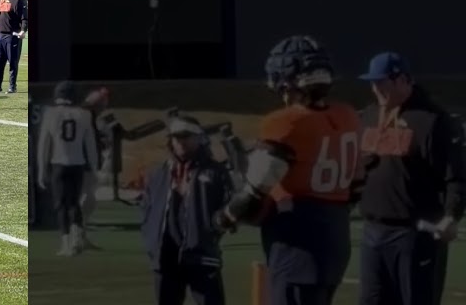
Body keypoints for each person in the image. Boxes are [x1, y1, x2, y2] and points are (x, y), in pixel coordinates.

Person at [216, 35, 361, 305]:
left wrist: (224, 218)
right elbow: (357, 185)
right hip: (336, 239)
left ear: (287, 81)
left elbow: (251, 197)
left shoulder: (287, 123)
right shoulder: (348, 116)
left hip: (297, 243)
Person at [354, 52, 463, 305]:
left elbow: (455, 176)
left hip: (415, 233)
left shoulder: (432, 120)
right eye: (372, 83)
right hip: (372, 230)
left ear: (403, 80)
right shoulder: (369, 115)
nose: (376, 89)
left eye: (382, 82)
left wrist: (451, 215)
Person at [140, 115, 233, 305]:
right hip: (165, 256)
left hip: (202, 254)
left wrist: (215, 228)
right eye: (176, 137)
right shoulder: (158, 174)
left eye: (186, 136)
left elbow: (228, 207)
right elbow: (147, 210)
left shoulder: (216, 172)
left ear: (199, 138)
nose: (181, 142)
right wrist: (151, 242)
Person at [37, 81, 98, 255]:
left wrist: (41, 170)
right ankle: (77, 237)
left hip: (59, 164)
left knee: (61, 205)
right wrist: (94, 168)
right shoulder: (84, 114)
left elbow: (44, 145)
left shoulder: (50, 113)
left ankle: (66, 243)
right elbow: (91, 145)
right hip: (78, 164)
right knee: (74, 204)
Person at [80, 86, 112, 247]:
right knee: (86, 198)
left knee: (89, 199)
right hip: (83, 163)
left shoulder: (96, 121)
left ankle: (81, 232)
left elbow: (105, 142)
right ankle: (78, 233)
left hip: (90, 163)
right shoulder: (85, 119)